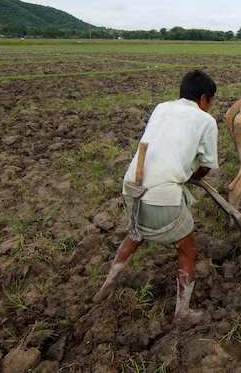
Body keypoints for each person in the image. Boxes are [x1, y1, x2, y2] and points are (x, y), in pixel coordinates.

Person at [93, 70, 219, 325]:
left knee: (136, 233)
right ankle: (182, 313)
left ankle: (107, 285)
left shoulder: (162, 108)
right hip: (163, 193)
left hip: (132, 183)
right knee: (188, 249)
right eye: (211, 101)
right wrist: (193, 174)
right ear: (204, 99)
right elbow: (207, 165)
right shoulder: (206, 121)